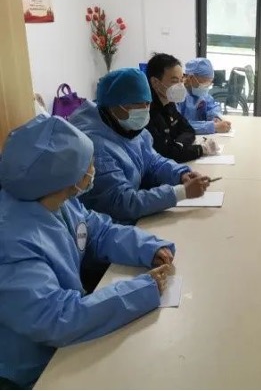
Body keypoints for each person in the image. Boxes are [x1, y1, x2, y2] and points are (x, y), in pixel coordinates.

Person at [0, 115, 175, 389]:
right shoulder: (11, 241)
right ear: (65, 177)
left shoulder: (54, 197)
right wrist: (141, 290)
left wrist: (147, 247)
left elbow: (97, 230)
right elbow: (55, 317)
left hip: (67, 342)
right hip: (34, 368)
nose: (94, 168)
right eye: (88, 163)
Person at [70, 68, 212, 225]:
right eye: (136, 104)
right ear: (112, 105)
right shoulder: (94, 146)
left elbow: (153, 161)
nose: (144, 109)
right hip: (109, 226)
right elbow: (122, 202)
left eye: (147, 103)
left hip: (136, 218)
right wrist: (180, 192)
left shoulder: (130, 128)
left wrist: (180, 174)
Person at [145, 53, 218, 163]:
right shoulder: (148, 112)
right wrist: (201, 149)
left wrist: (178, 145)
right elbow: (167, 154)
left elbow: (189, 130)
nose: (180, 86)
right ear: (155, 82)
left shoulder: (169, 104)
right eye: (175, 81)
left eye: (181, 80)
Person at [179, 57, 232, 135]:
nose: (206, 87)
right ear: (191, 78)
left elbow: (213, 106)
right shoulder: (178, 95)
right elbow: (178, 125)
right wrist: (213, 127)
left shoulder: (201, 94)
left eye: (209, 83)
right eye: (204, 83)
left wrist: (215, 117)